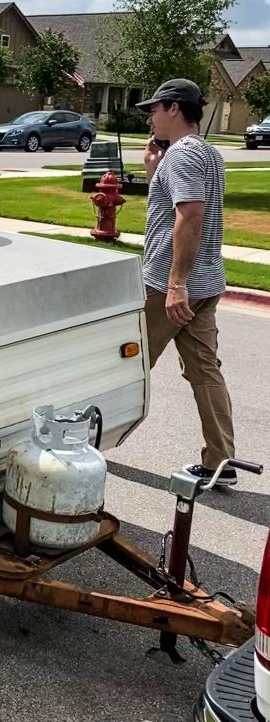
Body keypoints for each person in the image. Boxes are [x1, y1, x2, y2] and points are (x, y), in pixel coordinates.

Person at [135, 79, 236, 484]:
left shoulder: (182, 156)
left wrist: (176, 283)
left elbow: (190, 215)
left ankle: (85, 446)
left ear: (174, 108)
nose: (150, 117)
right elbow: (176, 203)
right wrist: (153, 171)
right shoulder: (207, 154)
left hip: (169, 284)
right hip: (207, 280)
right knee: (205, 371)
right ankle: (221, 462)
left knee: (128, 362)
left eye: (154, 109)